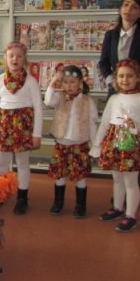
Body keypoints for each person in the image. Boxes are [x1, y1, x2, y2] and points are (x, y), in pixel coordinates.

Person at [90, 59, 140, 233]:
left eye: (129, 76)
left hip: (132, 147)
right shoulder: (113, 99)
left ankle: (131, 215)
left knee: (131, 182)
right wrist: (97, 145)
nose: (125, 80)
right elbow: (105, 123)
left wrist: (136, 125)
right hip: (114, 144)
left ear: (138, 78)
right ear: (116, 78)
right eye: (121, 76)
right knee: (117, 179)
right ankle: (118, 208)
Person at [0, 42, 43, 214]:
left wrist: (37, 134)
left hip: (23, 128)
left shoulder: (31, 81)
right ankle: (0, 194)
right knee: (2, 162)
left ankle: (22, 197)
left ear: (24, 59)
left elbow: (38, 107)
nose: (15, 59)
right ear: (6, 58)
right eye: (11, 55)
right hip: (3, 127)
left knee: (22, 163)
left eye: (19, 56)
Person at [44, 65, 99, 218]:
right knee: (60, 175)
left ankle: (80, 205)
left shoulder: (88, 102)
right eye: (65, 82)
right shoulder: (59, 97)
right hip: (61, 144)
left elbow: (92, 125)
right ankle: (58, 202)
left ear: (80, 82)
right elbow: (48, 101)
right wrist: (53, 82)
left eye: (73, 82)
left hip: (79, 145)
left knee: (80, 176)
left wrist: (95, 146)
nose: (69, 86)